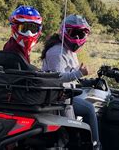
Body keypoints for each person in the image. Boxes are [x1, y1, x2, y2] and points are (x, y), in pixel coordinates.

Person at [41, 14, 100, 149]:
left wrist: (85, 80)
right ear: (64, 31)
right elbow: (58, 78)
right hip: (58, 96)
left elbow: (68, 74)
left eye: (81, 34)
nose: (78, 38)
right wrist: (79, 73)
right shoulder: (57, 52)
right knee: (90, 108)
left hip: (66, 92)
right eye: (74, 33)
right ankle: (95, 145)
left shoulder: (68, 50)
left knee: (91, 96)